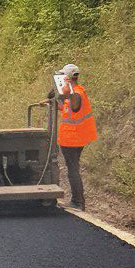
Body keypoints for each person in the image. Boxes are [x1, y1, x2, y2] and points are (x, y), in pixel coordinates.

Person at [50, 63, 98, 210]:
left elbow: (76, 107)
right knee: (73, 168)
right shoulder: (75, 91)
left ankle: (78, 202)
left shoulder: (77, 93)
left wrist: (66, 94)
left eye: (64, 76)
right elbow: (67, 109)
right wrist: (53, 101)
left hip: (73, 139)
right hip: (73, 138)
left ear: (69, 78)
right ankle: (77, 200)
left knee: (73, 169)